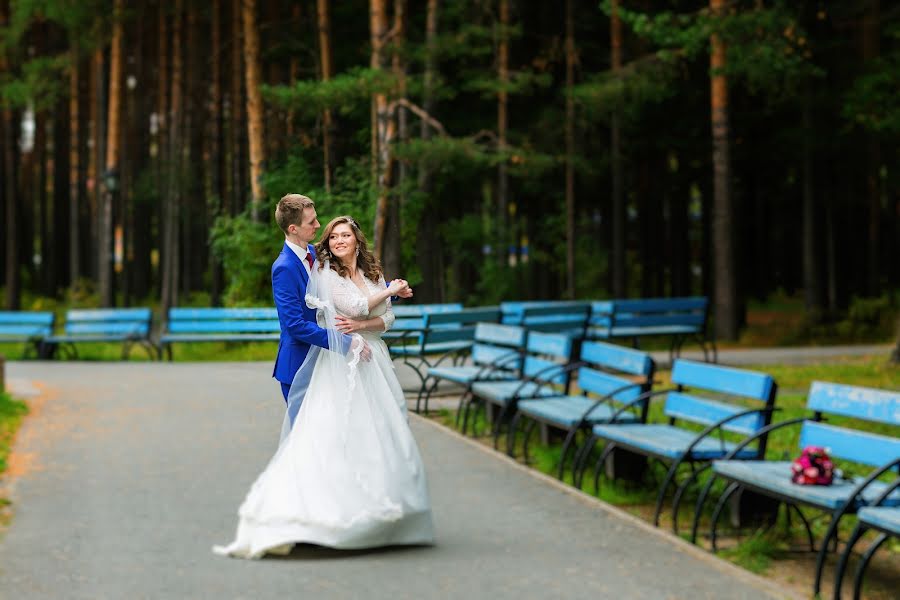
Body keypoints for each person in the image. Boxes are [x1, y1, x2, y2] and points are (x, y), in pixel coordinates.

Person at [213, 216, 434, 557]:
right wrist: (388, 293)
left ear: (357, 241)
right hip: (342, 359)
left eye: (345, 235)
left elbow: (386, 319)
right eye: (332, 236)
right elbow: (355, 306)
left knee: (379, 433)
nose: (336, 240)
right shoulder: (326, 273)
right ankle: (316, 515)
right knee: (331, 433)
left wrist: (368, 319)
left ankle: (383, 513)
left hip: (375, 358)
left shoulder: (373, 273)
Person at [270, 194, 410, 423]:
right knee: (307, 437)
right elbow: (294, 325)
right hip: (299, 363)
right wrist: (345, 342)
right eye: (311, 222)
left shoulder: (318, 254)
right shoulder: (284, 267)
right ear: (293, 228)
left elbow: (349, 289)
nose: (317, 225)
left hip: (331, 365)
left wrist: (392, 290)